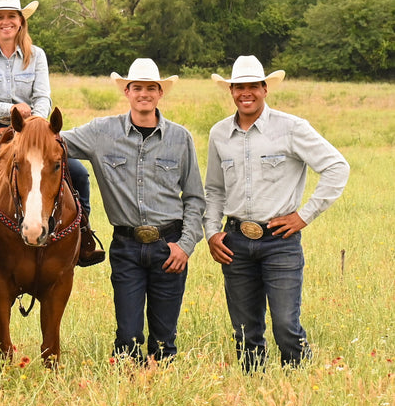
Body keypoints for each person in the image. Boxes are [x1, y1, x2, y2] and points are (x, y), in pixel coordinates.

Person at [204, 56, 348, 371]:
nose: (246, 93)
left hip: (280, 242)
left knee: (286, 326)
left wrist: (304, 216)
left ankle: (298, 388)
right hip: (235, 242)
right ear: (231, 91)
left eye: (253, 86)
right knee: (245, 330)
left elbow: (337, 167)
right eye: (239, 87)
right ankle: (254, 391)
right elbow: (214, 189)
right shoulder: (219, 133)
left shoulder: (292, 128)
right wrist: (212, 232)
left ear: (265, 88)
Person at [60, 59, 205, 363]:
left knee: (165, 341)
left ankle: (160, 393)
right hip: (126, 246)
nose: (144, 94)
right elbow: (53, 142)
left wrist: (186, 245)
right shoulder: (101, 132)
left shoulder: (180, 138)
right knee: (127, 338)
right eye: (137, 87)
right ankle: (128, 390)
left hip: (170, 246)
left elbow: (194, 198)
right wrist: (15, 129)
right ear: (126, 91)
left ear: (160, 93)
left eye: (151, 88)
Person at [0, 0, 104, 266]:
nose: (5, 22)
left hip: (33, 130)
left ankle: (83, 236)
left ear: (21, 20)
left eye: (11, 16)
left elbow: (43, 97)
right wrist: (9, 110)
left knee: (79, 174)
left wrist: (33, 125)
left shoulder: (36, 55)